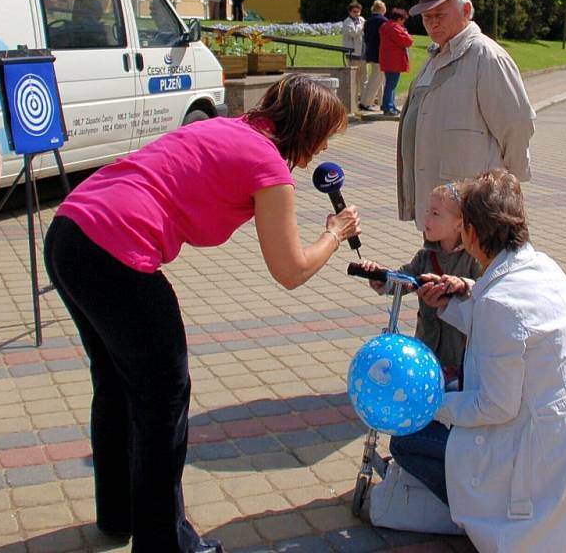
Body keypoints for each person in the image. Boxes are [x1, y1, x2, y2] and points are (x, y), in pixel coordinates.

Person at [42, 75, 361, 553]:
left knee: (116, 383)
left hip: (70, 232)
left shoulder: (226, 128)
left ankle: (119, 514)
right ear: (308, 128)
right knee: (163, 399)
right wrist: (335, 234)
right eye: (324, 136)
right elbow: (291, 271)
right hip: (114, 250)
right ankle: (165, 544)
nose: (321, 149)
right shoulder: (268, 165)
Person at [389, 170, 566, 553]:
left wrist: (428, 405)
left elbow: (494, 405)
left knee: (406, 441)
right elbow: (512, 321)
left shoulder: (499, 303)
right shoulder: (543, 267)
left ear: (470, 232)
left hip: (534, 456)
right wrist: (453, 304)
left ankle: (473, 518)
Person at [397, 0, 534, 231]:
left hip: (473, 214)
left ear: (466, 10)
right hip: (439, 213)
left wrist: (507, 187)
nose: (432, 23)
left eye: (440, 15)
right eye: (427, 17)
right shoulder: (436, 56)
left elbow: (517, 126)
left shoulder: (487, 57)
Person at [361, 183, 479, 378]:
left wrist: (460, 286)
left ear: (459, 224)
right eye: (426, 211)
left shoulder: (473, 259)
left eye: (435, 213)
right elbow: (402, 280)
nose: (426, 218)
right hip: (426, 348)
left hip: (461, 355)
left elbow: (482, 296)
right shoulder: (425, 257)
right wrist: (380, 277)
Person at [378, 8, 413, 116]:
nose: (403, 23)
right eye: (403, 20)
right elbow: (407, 41)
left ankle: (390, 105)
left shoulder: (386, 26)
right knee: (391, 85)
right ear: (399, 19)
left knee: (390, 84)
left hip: (387, 59)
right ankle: (388, 108)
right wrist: (406, 33)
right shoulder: (394, 27)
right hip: (394, 60)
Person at [359, 0, 387, 111]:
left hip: (370, 52)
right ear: (382, 9)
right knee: (376, 79)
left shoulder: (368, 21)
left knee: (376, 78)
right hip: (380, 54)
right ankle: (365, 103)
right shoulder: (383, 21)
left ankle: (378, 101)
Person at [342, 2, 367, 103]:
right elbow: (354, 33)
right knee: (355, 79)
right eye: (354, 12)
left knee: (364, 79)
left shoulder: (361, 20)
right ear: (350, 12)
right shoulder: (347, 22)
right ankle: (354, 100)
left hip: (363, 53)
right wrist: (363, 26)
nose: (357, 14)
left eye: (358, 11)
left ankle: (364, 101)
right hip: (353, 54)